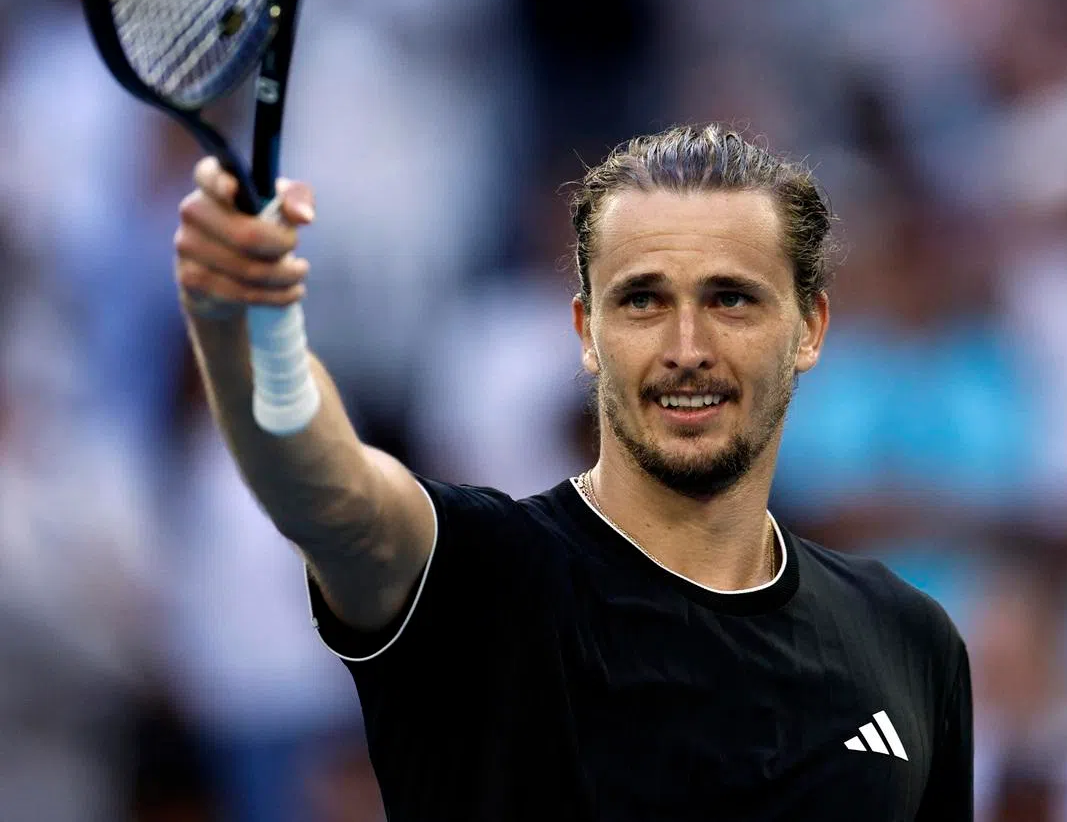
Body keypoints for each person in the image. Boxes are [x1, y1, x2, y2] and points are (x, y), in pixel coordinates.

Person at [175, 123, 973, 821]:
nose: (687, 348)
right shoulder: (483, 578)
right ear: (587, 332)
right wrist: (248, 329)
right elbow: (331, 495)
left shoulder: (910, 641)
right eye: (642, 301)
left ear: (810, 328)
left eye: (731, 299)